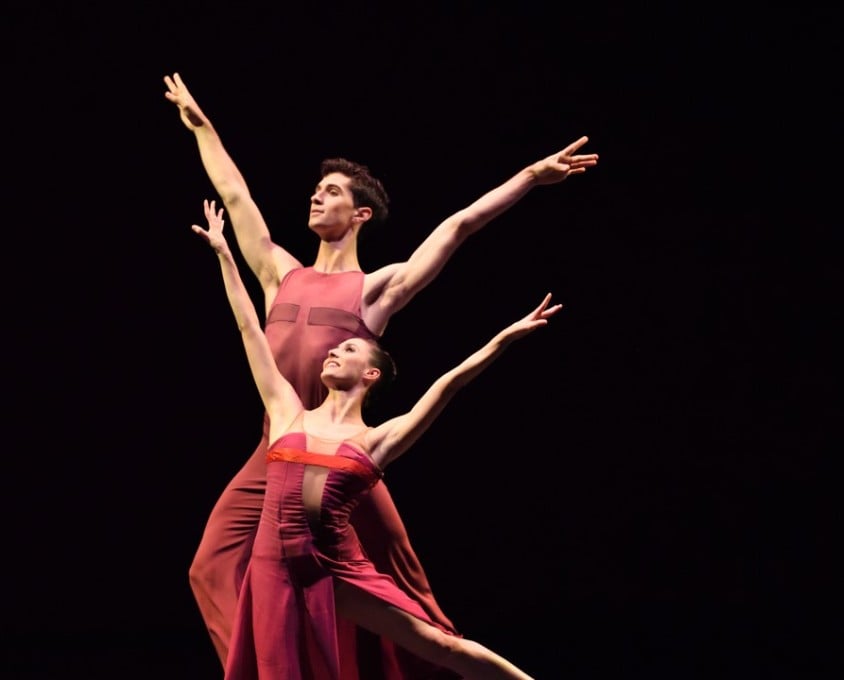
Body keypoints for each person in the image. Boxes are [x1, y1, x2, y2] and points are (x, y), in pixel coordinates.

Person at [164, 71, 597, 670]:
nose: (317, 195)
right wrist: (202, 127)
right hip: (280, 452)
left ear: (361, 213)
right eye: (315, 189)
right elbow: (236, 197)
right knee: (209, 565)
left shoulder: (374, 290)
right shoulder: (278, 274)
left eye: (332, 190)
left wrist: (528, 177)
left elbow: (460, 225)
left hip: (345, 460)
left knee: (409, 590)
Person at [191, 199, 556, 679]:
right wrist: (223, 254)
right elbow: (248, 329)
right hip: (273, 566)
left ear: (371, 372)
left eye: (346, 348)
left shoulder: (376, 441)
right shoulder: (285, 411)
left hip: (334, 567)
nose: (332, 352)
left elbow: (448, 384)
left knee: (436, 644)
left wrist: (502, 339)